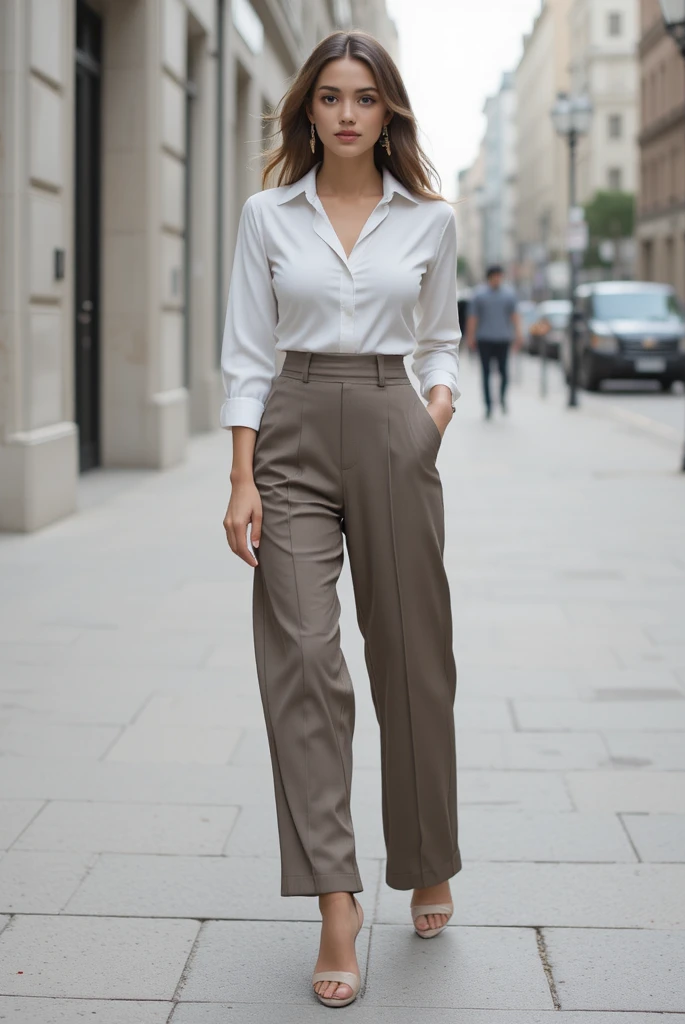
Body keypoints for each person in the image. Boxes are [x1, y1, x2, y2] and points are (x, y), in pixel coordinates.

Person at [220, 30, 462, 1010]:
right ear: (307, 111)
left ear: (388, 111)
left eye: (366, 97)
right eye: (331, 97)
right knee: (303, 661)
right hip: (290, 428)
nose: (349, 112)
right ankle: (335, 897)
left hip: (391, 418)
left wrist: (431, 417)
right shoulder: (266, 215)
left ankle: (426, 855)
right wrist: (241, 479)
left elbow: (441, 335)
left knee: (410, 654)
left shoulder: (429, 221)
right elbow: (245, 350)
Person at [465, 265, 522, 417]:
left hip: (503, 339)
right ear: (489, 277)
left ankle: (502, 398)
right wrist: (470, 337)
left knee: (504, 372)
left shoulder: (508, 295)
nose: (497, 279)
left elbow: (514, 316)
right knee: (486, 373)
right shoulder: (479, 295)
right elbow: (473, 318)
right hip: (484, 339)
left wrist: (518, 335)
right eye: (495, 276)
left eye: (499, 276)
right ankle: (488, 405)